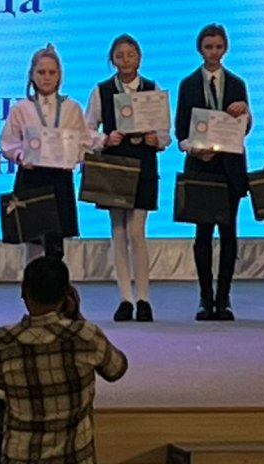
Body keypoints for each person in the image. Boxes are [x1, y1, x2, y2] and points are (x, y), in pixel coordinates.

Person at [0, 257, 128, 464]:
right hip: (75, 457)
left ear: (23, 292)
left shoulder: (1, 341)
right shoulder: (86, 335)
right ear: (67, 295)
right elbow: (117, 369)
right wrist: (77, 317)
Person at [85, 34, 170, 322]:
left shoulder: (152, 89)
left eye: (130, 54)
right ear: (112, 59)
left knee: (137, 231)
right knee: (118, 230)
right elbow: (87, 129)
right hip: (115, 165)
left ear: (139, 57)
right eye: (119, 55)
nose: (125, 60)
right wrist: (104, 139)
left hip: (144, 164)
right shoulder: (102, 90)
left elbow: (165, 132)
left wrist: (156, 139)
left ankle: (144, 297)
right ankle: (125, 298)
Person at [174, 23, 251, 321]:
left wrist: (245, 114)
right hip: (201, 167)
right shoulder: (188, 84)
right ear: (200, 49)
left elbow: (245, 128)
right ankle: (205, 297)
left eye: (218, 47)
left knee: (229, 234)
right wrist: (193, 149)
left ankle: (224, 298)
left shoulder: (237, 84)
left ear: (226, 48)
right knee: (203, 233)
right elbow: (181, 131)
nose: (214, 52)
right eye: (209, 47)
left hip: (230, 168)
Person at [0, 45, 89, 260]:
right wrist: (21, 156)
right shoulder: (21, 108)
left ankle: (56, 281)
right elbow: (8, 142)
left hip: (60, 179)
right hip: (32, 177)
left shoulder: (72, 107)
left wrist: (74, 157)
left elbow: (83, 141)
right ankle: (31, 280)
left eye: (52, 72)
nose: (47, 77)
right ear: (32, 75)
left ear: (60, 75)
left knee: (56, 244)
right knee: (32, 242)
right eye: (41, 72)